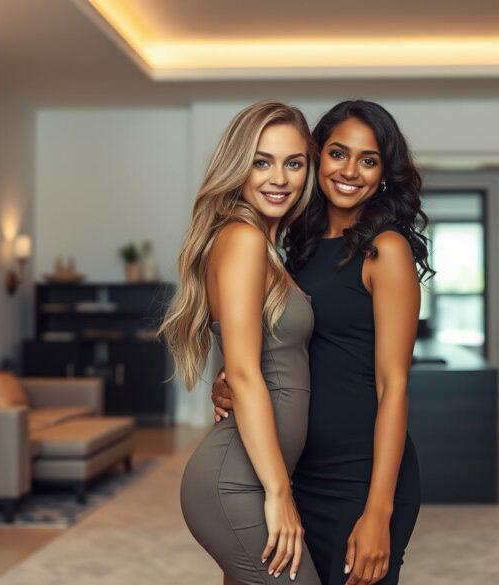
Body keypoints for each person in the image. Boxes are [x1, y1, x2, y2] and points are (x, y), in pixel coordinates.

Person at [212, 100, 433, 585]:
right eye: (338, 153)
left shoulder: (386, 249)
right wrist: (228, 381)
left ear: (383, 173)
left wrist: (378, 511)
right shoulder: (295, 245)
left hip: (359, 476)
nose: (350, 171)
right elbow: (281, 348)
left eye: (368, 160)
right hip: (295, 471)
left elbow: (393, 387)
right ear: (316, 158)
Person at [161, 101, 320, 584]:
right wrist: (279, 493)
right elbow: (246, 370)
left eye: (293, 163)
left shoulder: (270, 248)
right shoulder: (243, 239)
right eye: (262, 161)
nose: (279, 178)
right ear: (238, 166)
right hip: (237, 480)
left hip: (254, 474)